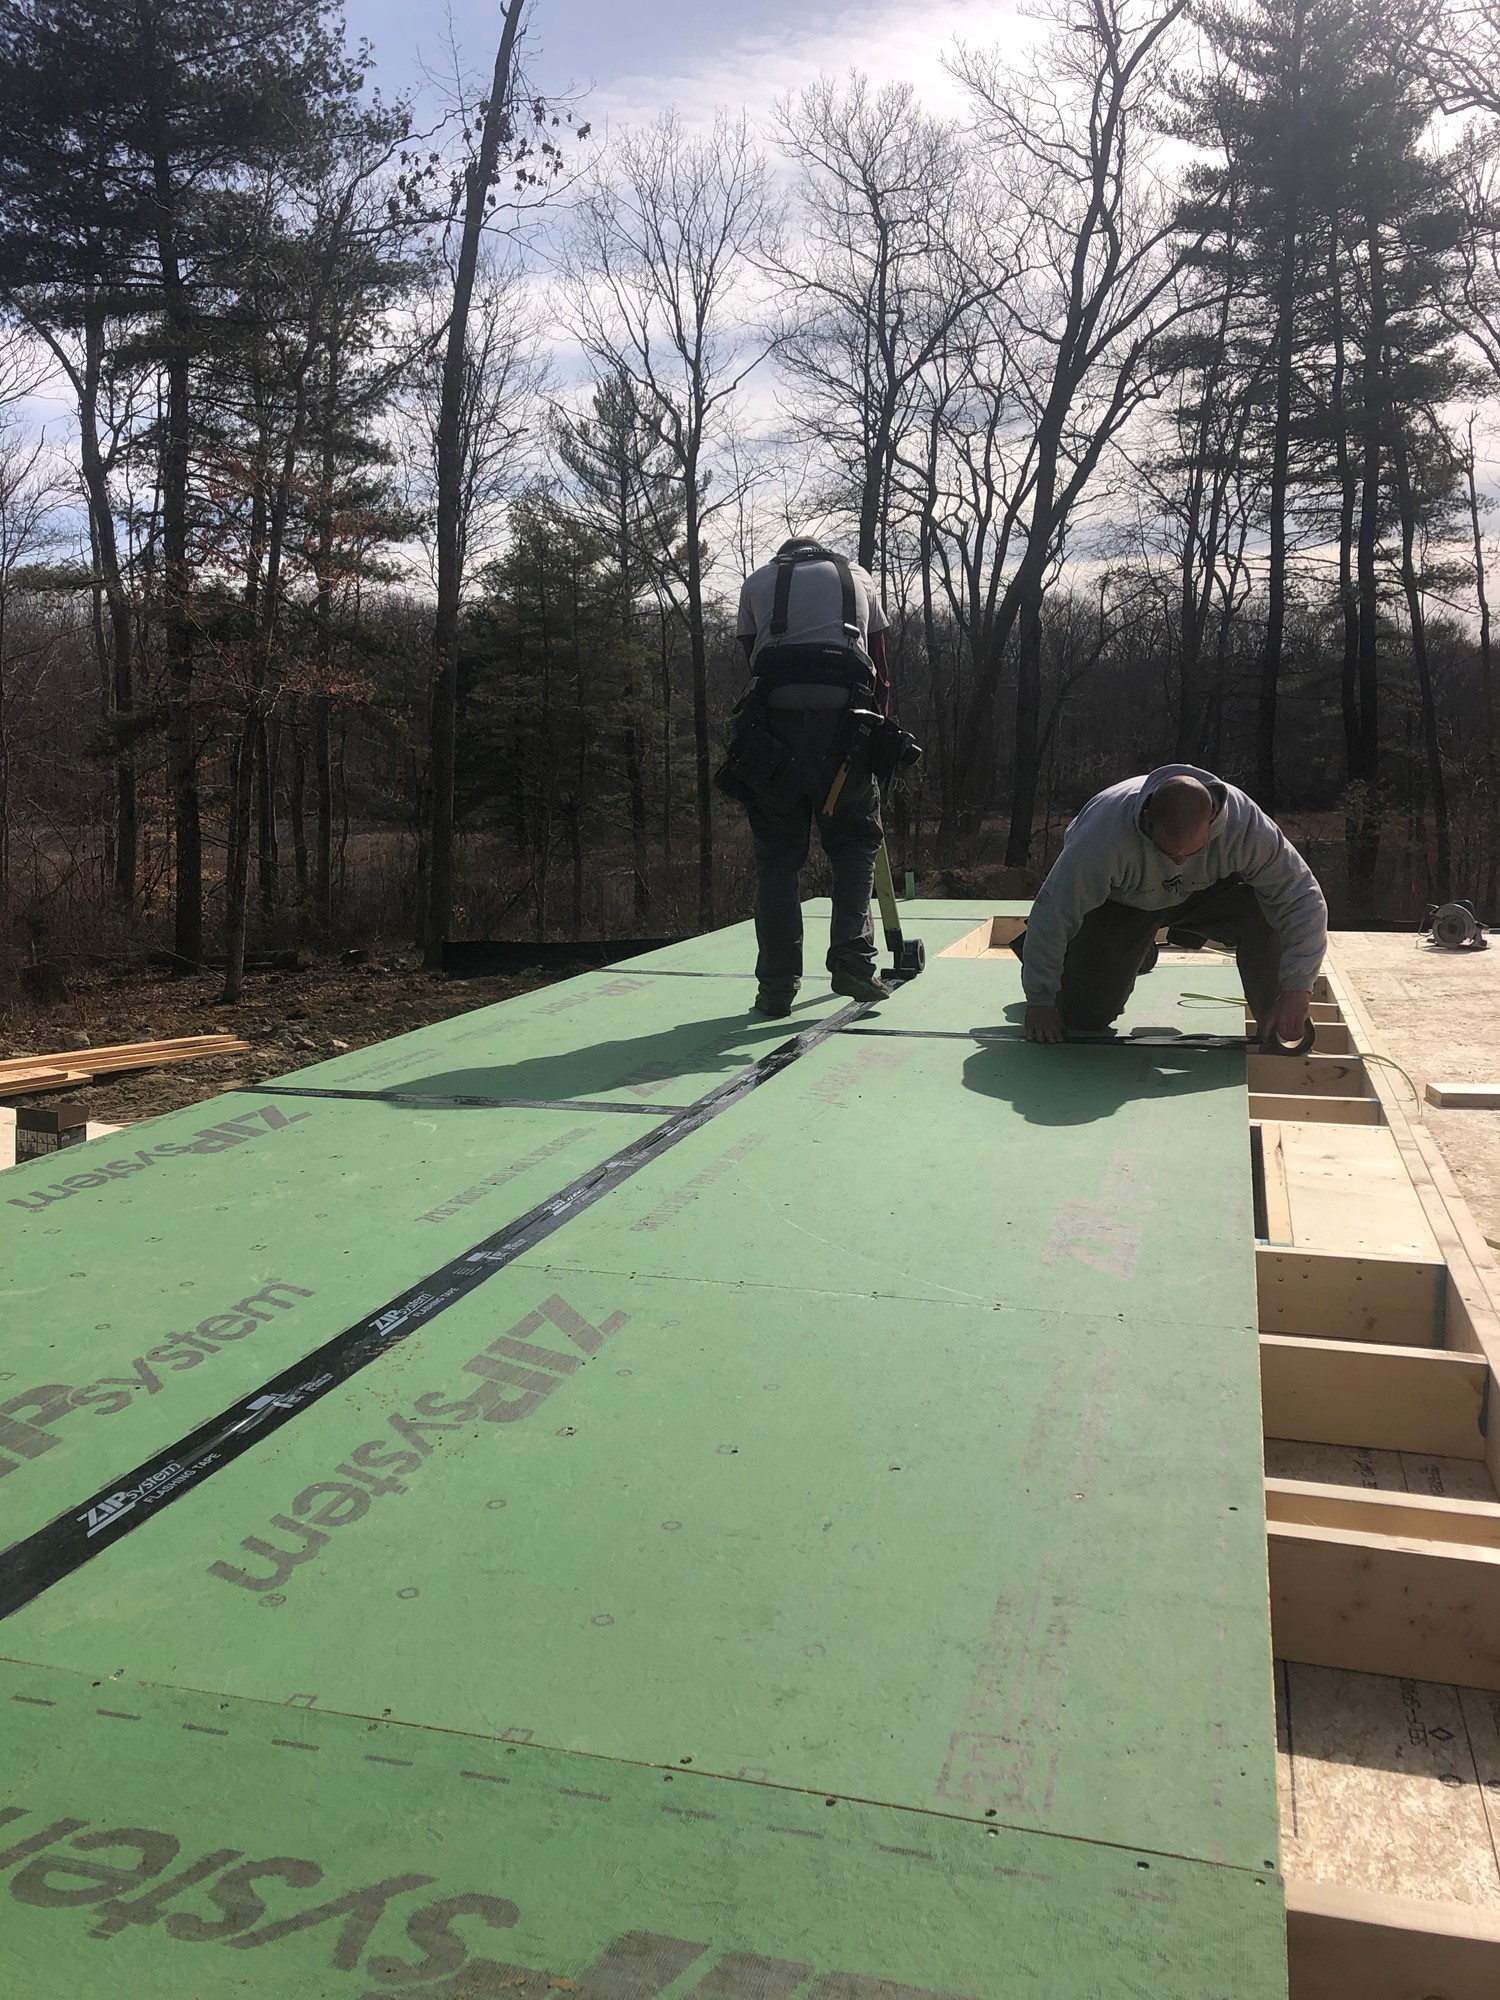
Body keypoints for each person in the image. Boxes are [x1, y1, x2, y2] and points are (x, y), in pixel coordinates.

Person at [1020, 765, 1328, 1047]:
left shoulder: (1247, 828)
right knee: (1084, 1018)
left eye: (1191, 852)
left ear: (1212, 817)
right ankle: (1120, 951)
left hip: (1204, 893)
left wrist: (1298, 987)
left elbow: (1302, 898)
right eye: (1167, 852)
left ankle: (1275, 1018)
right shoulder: (1100, 839)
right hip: (1124, 903)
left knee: (1268, 911)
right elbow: (1053, 915)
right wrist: (1040, 1001)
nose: (1179, 861)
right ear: (1148, 818)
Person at [727, 536, 894, 1016]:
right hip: (846, 730)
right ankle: (853, 962)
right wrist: (874, 739)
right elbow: (881, 672)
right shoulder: (859, 578)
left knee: (778, 857)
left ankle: (776, 988)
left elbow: (755, 665)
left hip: (774, 737)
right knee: (854, 843)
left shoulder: (756, 582)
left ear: (785, 556)